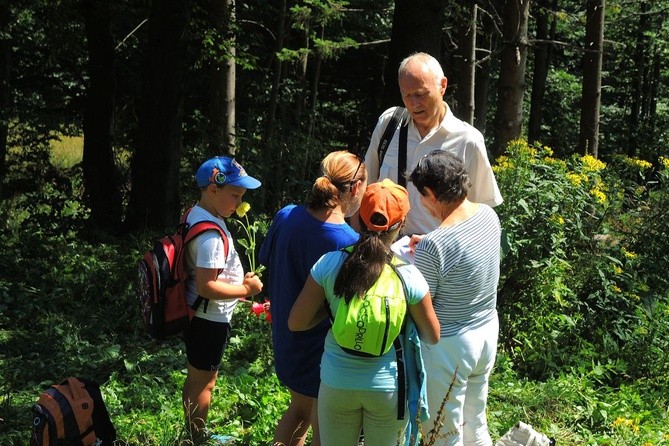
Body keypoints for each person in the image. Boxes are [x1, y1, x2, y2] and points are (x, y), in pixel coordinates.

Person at [287, 179, 441, 446]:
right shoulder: (408, 275)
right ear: (401, 224)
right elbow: (432, 336)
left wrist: (332, 308)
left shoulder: (329, 264)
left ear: (358, 218)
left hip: (337, 381)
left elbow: (296, 323)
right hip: (387, 387)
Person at [259, 150, 367, 446]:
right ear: (356, 189)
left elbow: (268, 261)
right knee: (324, 430)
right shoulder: (347, 242)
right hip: (320, 354)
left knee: (297, 412)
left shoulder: (286, 215)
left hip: (285, 340)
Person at [408, 150, 501, 446]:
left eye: (421, 196)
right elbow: (467, 252)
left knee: (443, 434)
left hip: (449, 347)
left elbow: (422, 307)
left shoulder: (434, 246)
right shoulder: (488, 215)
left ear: (432, 194)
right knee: (475, 423)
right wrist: (431, 247)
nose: (421, 203)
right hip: (486, 333)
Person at [364, 52, 502, 237]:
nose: (413, 104)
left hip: (436, 257)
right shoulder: (389, 124)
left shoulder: (468, 140)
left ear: (442, 85)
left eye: (421, 94)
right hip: (382, 249)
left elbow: (482, 214)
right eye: (406, 96)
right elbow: (366, 185)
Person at [182, 156, 264, 444]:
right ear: (212, 190)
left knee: (197, 378)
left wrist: (238, 290)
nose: (240, 203)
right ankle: (197, 436)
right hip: (209, 320)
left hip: (201, 316)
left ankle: (192, 430)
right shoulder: (211, 238)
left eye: (242, 196)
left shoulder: (197, 214)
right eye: (235, 195)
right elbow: (206, 286)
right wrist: (246, 289)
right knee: (205, 383)